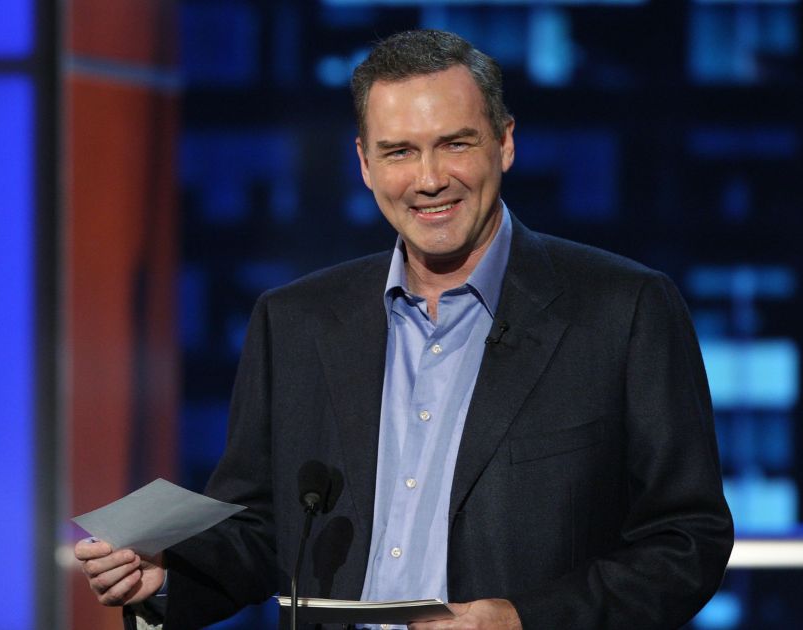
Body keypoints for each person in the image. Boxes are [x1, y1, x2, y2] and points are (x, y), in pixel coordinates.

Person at [76, 29, 733, 629]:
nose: (428, 179)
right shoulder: (294, 321)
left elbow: (687, 540)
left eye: (455, 143)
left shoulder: (624, 309)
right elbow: (263, 529)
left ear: (505, 141)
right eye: (399, 152)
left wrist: (524, 620)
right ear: (364, 163)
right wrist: (170, 577)